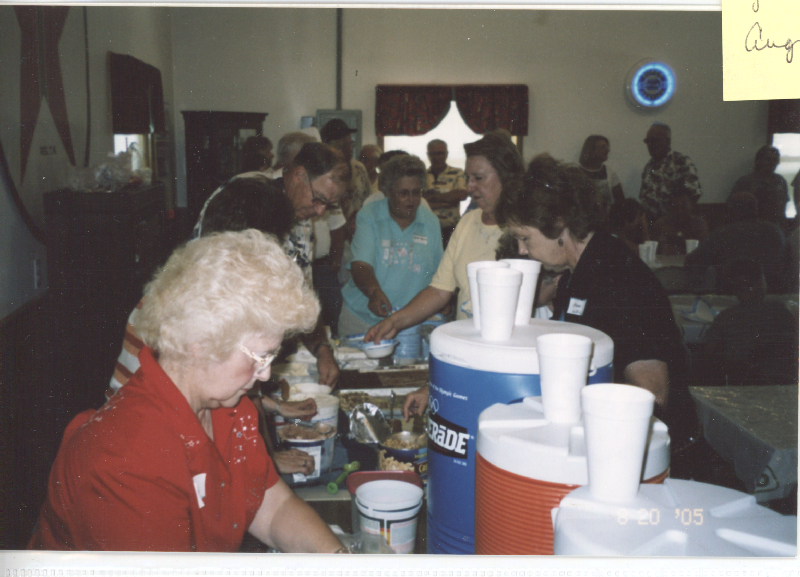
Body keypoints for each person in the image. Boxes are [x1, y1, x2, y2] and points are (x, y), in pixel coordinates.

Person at [30, 231, 349, 553]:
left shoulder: (231, 408)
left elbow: (273, 508)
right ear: (200, 342)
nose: (265, 373)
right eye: (260, 356)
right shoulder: (126, 459)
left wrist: (339, 562)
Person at [495, 153, 699, 476]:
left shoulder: (619, 278)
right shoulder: (578, 269)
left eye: (525, 238)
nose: (522, 250)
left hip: (647, 457)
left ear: (558, 225)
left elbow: (652, 392)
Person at [108, 177, 323, 476]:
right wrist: (267, 463)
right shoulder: (192, 310)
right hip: (141, 450)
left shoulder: (205, 287)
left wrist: (273, 407)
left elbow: (232, 394)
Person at [193, 142, 349, 386]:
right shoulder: (247, 197)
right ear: (298, 175)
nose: (320, 212)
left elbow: (301, 294)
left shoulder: (302, 215)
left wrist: (322, 349)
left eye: (328, 205)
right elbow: (226, 298)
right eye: (318, 199)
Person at [367, 133, 524, 345]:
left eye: (478, 178)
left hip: (509, 346)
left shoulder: (525, 230)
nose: (469, 187)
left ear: (507, 177)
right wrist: (394, 322)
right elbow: (439, 291)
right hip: (469, 344)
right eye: (468, 178)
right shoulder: (467, 222)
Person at [338, 155, 443, 336]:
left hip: (409, 323)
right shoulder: (369, 215)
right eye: (403, 193)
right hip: (362, 320)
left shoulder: (430, 222)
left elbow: (439, 273)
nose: (411, 199)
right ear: (387, 191)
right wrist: (373, 292)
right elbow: (361, 264)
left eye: (416, 192)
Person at [699, 259, 798, 387]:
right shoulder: (783, 313)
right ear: (760, 283)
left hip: (740, 385)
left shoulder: (725, 318)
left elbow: (710, 356)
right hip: (783, 384)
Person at [685, 191, 790, 293]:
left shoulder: (722, 234)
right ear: (756, 209)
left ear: (731, 210)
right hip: (775, 293)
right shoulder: (776, 231)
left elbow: (693, 260)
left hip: (733, 296)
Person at [639, 123, 702, 222]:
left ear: (667, 141)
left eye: (654, 140)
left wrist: (672, 219)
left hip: (674, 225)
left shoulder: (680, 162)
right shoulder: (648, 167)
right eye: (647, 141)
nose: (650, 144)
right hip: (651, 225)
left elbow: (693, 195)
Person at [423, 139, 469, 246]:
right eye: (433, 154)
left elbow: (462, 195)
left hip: (451, 229)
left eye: (440, 153)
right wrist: (448, 200)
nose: (437, 157)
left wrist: (432, 197)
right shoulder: (422, 175)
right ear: (428, 155)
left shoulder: (457, 172)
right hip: (427, 228)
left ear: (446, 154)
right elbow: (421, 201)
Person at [729, 145, 789, 225]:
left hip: (777, 226)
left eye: (775, 159)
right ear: (759, 160)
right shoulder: (746, 181)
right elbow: (733, 206)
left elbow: (784, 204)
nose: (772, 163)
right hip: (755, 227)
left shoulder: (780, 181)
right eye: (768, 159)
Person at [651, 185, 709, 255]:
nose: (680, 211)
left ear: (691, 206)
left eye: (683, 206)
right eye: (675, 206)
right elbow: (656, 248)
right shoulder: (661, 223)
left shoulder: (699, 222)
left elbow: (703, 246)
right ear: (669, 207)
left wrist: (676, 233)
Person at [578, 135, 624, 219]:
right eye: (603, 147)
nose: (608, 150)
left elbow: (620, 201)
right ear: (591, 150)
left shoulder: (610, 173)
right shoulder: (577, 174)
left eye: (607, 147)